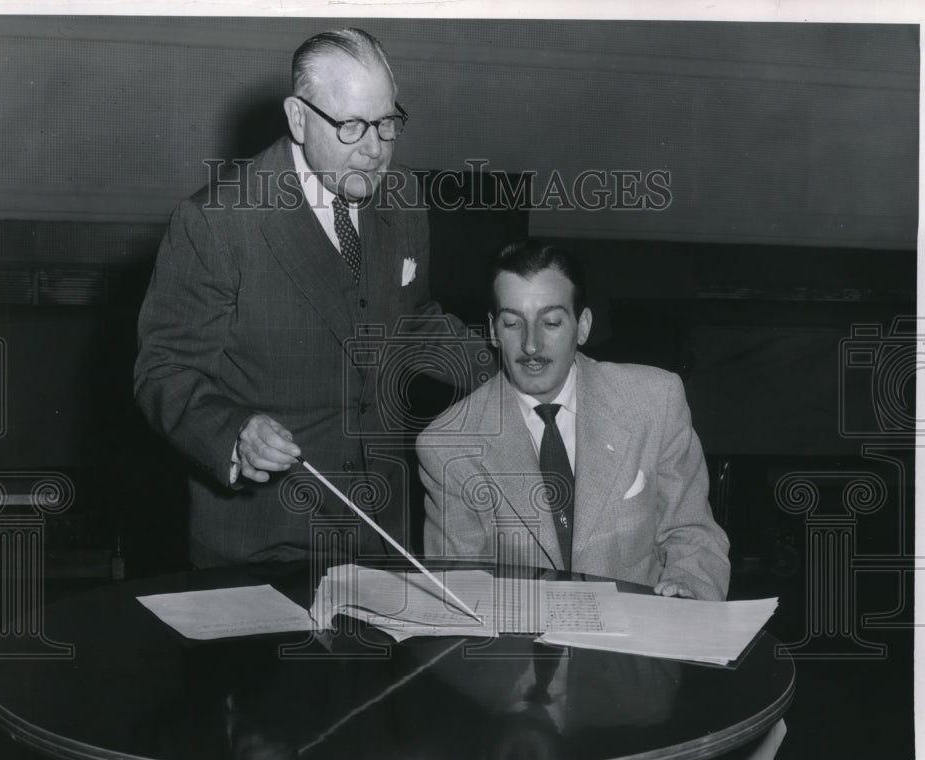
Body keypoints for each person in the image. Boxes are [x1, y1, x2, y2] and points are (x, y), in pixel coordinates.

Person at [135, 28, 484, 568]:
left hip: (381, 533)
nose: (375, 149)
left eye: (387, 123)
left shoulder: (404, 198)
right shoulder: (217, 222)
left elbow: (411, 319)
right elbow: (165, 371)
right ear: (298, 119)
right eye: (350, 126)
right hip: (262, 540)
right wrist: (235, 432)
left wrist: (513, 364)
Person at [416, 239, 730, 600]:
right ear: (492, 330)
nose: (531, 345)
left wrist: (689, 591)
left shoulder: (655, 400)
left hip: (639, 633)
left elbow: (692, 533)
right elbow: (459, 591)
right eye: (512, 323)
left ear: (582, 326)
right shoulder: (448, 445)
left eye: (550, 322)